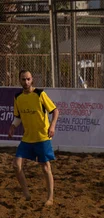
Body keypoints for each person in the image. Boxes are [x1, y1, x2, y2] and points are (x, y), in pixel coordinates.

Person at [7, 69, 60, 206]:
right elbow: (18, 116)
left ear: (32, 80)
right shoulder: (18, 97)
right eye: (23, 79)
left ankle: (50, 198)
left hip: (42, 137)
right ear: (19, 80)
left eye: (28, 79)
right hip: (27, 138)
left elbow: (55, 111)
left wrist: (52, 126)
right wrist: (13, 126)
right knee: (16, 166)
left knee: (45, 168)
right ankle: (26, 194)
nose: (26, 82)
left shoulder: (40, 94)